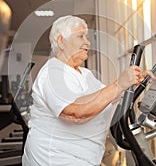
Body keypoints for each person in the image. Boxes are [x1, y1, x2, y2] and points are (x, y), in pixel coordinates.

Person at [22, 15, 149, 166]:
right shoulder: (52, 72)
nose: (87, 42)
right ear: (61, 42)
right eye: (80, 36)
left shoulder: (84, 73)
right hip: (55, 158)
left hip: (82, 156)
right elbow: (76, 113)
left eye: (87, 37)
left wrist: (133, 83)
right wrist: (119, 84)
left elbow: (108, 96)